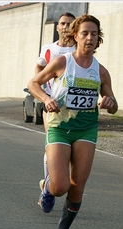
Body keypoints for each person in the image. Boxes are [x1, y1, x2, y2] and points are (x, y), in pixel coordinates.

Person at [27, 14, 118, 229]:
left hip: (86, 128)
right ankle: (47, 187)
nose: (90, 37)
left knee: (77, 187)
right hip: (59, 126)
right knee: (60, 187)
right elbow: (34, 83)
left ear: (99, 39)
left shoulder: (101, 72)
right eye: (85, 33)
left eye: (94, 34)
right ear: (75, 36)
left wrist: (109, 102)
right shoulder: (62, 62)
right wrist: (46, 99)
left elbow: (114, 105)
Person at [34, 12, 76, 186]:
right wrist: (44, 93)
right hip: (52, 105)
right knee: (51, 145)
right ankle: (48, 184)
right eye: (62, 23)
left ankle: (69, 183)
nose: (65, 27)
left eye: (69, 24)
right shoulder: (49, 49)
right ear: (57, 27)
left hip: (74, 108)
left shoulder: (79, 50)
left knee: (72, 150)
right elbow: (39, 67)